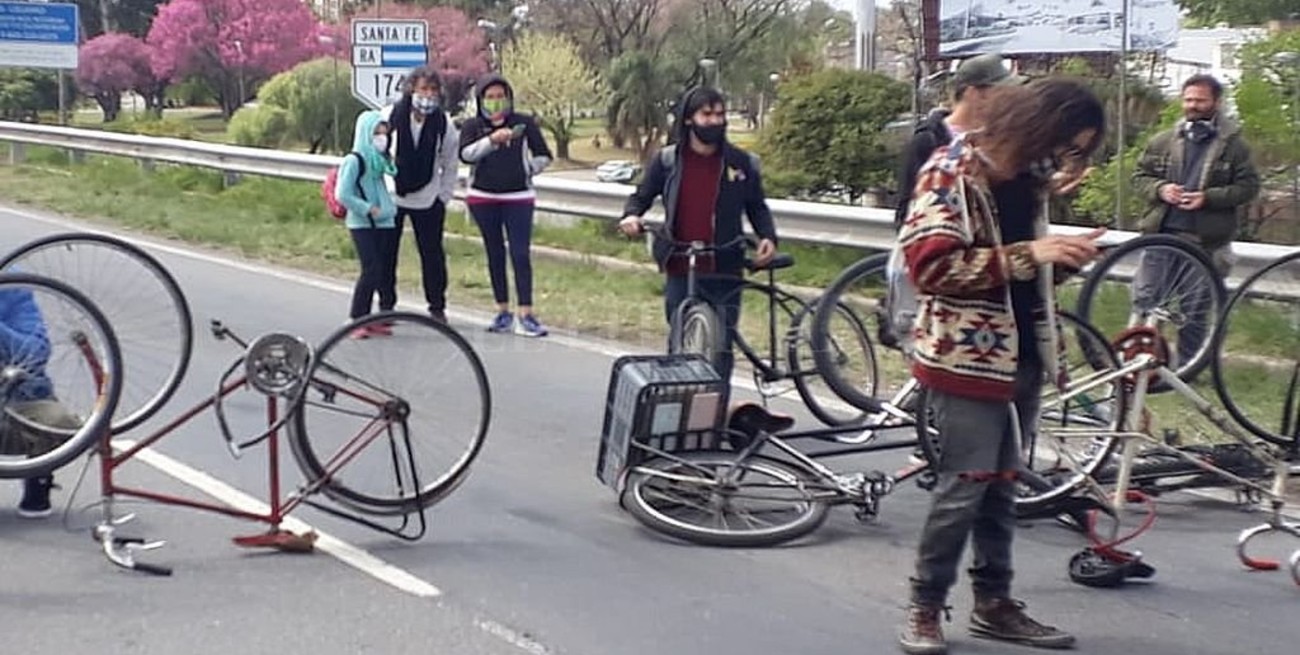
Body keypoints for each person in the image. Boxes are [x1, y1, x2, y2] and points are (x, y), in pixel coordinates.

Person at [896, 77, 1109, 655]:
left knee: (1003, 488)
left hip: (1023, 354)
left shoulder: (1029, 182)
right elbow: (930, 269)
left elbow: (1019, 277)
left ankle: (994, 603)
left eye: (1075, 151)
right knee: (964, 486)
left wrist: (1062, 258)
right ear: (1037, 126)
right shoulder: (949, 172)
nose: (1064, 159)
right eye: (1065, 144)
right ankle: (924, 607)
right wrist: (1029, 254)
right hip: (964, 359)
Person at [617, 86, 778, 387]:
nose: (715, 121)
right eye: (707, 114)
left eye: (720, 114)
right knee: (680, 343)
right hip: (681, 265)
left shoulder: (741, 162)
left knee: (721, 348)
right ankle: (680, 409)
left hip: (725, 265)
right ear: (689, 119)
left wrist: (767, 236)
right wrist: (631, 215)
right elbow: (641, 196)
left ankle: (715, 412)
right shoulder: (667, 161)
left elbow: (757, 206)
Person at [1132, 73, 1260, 367]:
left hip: (1206, 242)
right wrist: (1161, 189)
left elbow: (1249, 188)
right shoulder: (1162, 141)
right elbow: (1139, 177)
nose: (1193, 105)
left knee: (1195, 311)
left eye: (1200, 100)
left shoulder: (1234, 146)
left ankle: (1189, 369)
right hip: (1162, 235)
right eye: (1188, 100)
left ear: (1216, 102)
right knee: (1145, 301)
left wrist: (1208, 198)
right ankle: (1136, 362)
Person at [458, 74, 554, 337]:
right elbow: (465, 155)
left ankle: (526, 313)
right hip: (483, 197)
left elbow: (544, 155)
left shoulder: (523, 123)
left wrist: (526, 169)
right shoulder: (473, 125)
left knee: (520, 254)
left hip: (518, 197)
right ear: (481, 100)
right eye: (490, 97)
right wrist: (491, 141)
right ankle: (503, 311)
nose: (496, 101)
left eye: (500, 96)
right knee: (495, 253)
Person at [894, 53, 1022, 229]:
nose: (1009, 100)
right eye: (1002, 93)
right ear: (974, 94)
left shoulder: (1005, 140)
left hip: (1005, 244)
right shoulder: (928, 141)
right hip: (948, 241)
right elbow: (907, 213)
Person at [380, 66, 460, 324]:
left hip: (428, 197)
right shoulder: (389, 116)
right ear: (411, 89)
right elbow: (377, 153)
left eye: (433, 90)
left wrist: (443, 197)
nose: (428, 95)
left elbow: (450, 163)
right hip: (392, 195)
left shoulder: (443, 124)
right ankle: (386, 306)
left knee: (432, 255)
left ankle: (437, 307)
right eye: (423, 89)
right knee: (386, 254)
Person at [0, 287, 81, 519]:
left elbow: (37, 352)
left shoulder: (11, 285)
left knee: (59, 422)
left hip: (16, 401)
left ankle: (38, 481)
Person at [336, 109, 399, 337]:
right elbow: (343, 193)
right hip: (362, 223)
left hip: (385, 221)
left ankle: (372, 319)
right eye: (376, 133)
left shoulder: (379, 160)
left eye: (384, 133)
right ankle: (357, 318)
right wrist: (367, 208)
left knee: (381, 271)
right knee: (370, 269)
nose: (381, 138)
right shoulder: (354, 160)